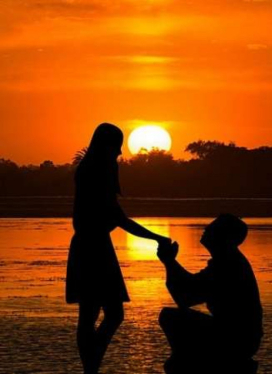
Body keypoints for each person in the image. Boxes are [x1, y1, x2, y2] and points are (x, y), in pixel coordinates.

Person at [66, 123, 171, 374]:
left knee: (96, 315)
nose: (120, 153)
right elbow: (120, 219)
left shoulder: (90, 169)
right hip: (92, 248)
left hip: (94, 244)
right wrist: (158, 238)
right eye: (116, 147)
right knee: (102, 314)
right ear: (107, 147)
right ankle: (91, 366)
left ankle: (91, 366)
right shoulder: (96, 171)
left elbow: (114, 217)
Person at [157, 214, 263, 373]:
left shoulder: (227, 265)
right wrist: (170, 262)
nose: (206, 229)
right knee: (171, 318)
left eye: (213, 227)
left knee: (170, 318)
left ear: (225, 236)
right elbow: (188, 290)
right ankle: (185, 357)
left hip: (237, 339)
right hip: (239, 336)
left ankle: (186, 358)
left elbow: (185, 296)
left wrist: (169, 262)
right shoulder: (227, 260)